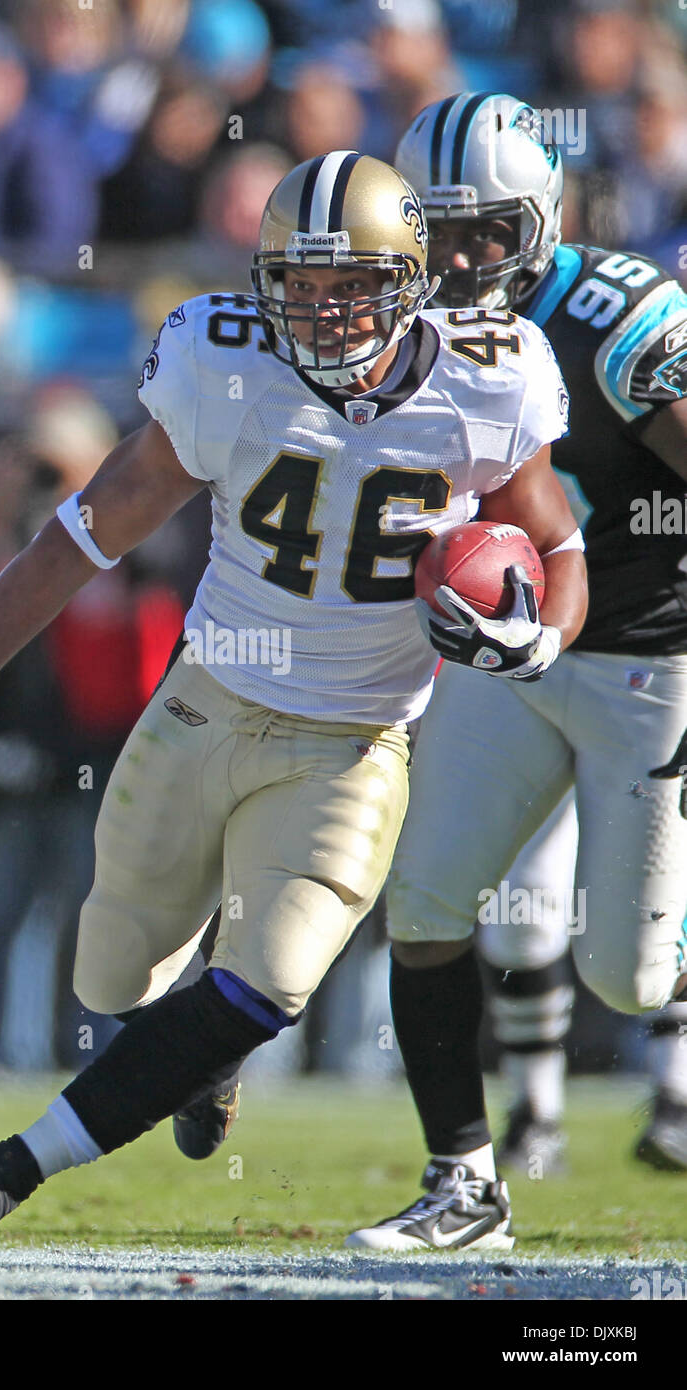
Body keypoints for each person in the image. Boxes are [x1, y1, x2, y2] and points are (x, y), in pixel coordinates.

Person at [0, 149, 583, 1258]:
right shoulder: (223, 357)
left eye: (349, 283)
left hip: (350, 746)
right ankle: (193, 1064)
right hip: (201, 708)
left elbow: (557, 543)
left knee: (270, 983)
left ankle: (2, 1172)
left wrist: (539, 635)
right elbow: (87, 529)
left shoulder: (489, 376)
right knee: (112, 972)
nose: (319, 311)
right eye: (296, 285)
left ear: (407, 281)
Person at [345, 92, 687, 1253]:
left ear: (540, 218)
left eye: (484, 231)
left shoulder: (615, 318)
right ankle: (463, 1186)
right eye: (432, 233)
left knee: (630, 977)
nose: (456, 259)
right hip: (512, 656)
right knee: (427, 901)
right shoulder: (391, 323)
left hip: (648, 660)